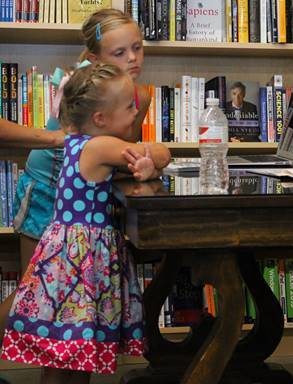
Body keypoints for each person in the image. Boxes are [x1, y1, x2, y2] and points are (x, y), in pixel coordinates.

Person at [0, 63, 170, 383]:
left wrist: (145, 163)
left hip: (70, 261)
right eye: (130, 106)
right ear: (100, 119)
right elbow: (161, 153)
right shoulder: (102, 146)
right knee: (75, 354)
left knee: (69, 349)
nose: (136, 111)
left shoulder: (76, 142)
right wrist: (152, 161)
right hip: (82, 264)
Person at [0, 8, 151, 342]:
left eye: (137, 47)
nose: (133, 58)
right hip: (46, 192)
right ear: (94, 58)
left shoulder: (127, 88)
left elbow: (121, 146)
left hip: (81, 197)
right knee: (33, 289)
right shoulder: (86, 84)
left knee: (52, 297)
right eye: (120, 52)